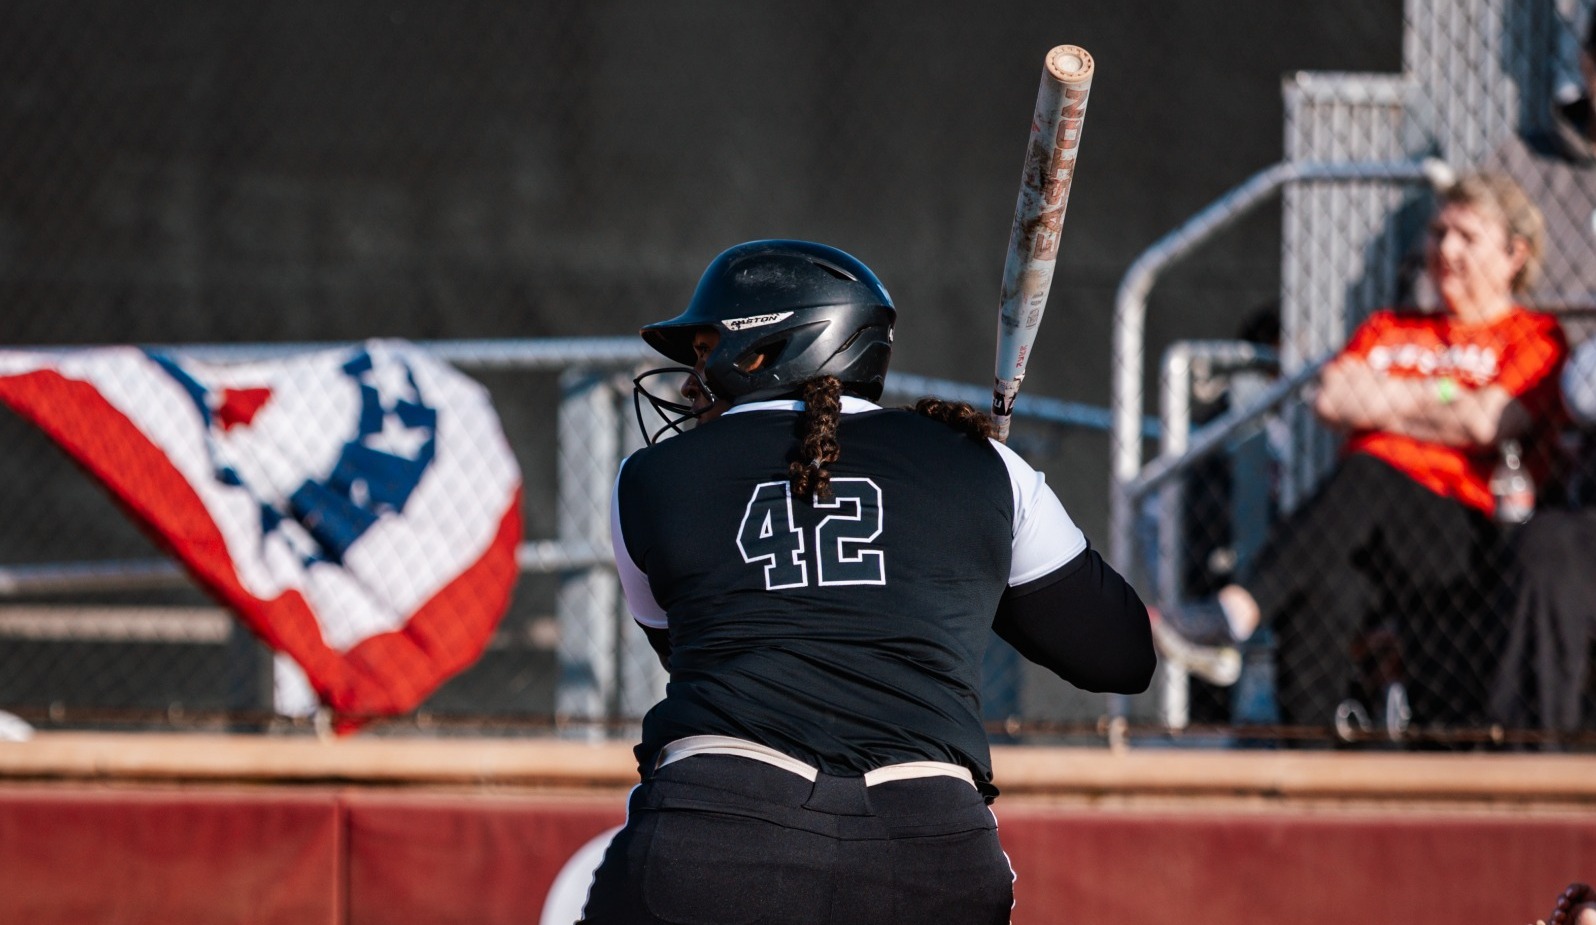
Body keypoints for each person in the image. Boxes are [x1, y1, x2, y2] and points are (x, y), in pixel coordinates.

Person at [579, 239, 1156, 924]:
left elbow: (686, 651)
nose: (686, 382)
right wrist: (978, 569)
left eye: (704, 352)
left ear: (763, 352)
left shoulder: (648, 479)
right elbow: (1119, 653)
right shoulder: (984, 467)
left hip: (717, 833)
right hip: (929, 846)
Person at [1155, 172, 1569, 733]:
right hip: (1363, 535)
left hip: (1463, 525)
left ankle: (1237, 611)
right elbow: (1331, 397)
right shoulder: (1391, 325)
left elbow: (1489, 421)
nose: (1444, 250)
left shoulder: (1534, 336)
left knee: (1371, 469)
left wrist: (1390, 399)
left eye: (1467, 237)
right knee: (1324, 591)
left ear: (1514, 254)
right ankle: (1311, 778)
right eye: (1438, 232)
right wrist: (1446, 401)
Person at [1485, 9, 1596, 741]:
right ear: (1588, 66)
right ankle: (1530, 780)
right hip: (1566, 443)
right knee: (1547, 551)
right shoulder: (1527, 167)